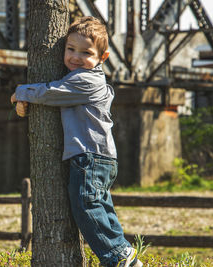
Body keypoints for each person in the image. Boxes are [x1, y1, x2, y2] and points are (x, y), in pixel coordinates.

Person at [10, 16, 143, 267]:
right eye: (70, 49)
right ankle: (125, 253)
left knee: (86, 205)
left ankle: (116, 256)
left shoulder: (86, 79)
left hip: (90, 156)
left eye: (86, 52)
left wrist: (22, 92)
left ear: (102, 58)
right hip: (99, 156)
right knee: (100, 205)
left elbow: (52, 93)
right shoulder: (85, 77)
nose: (75, 57)